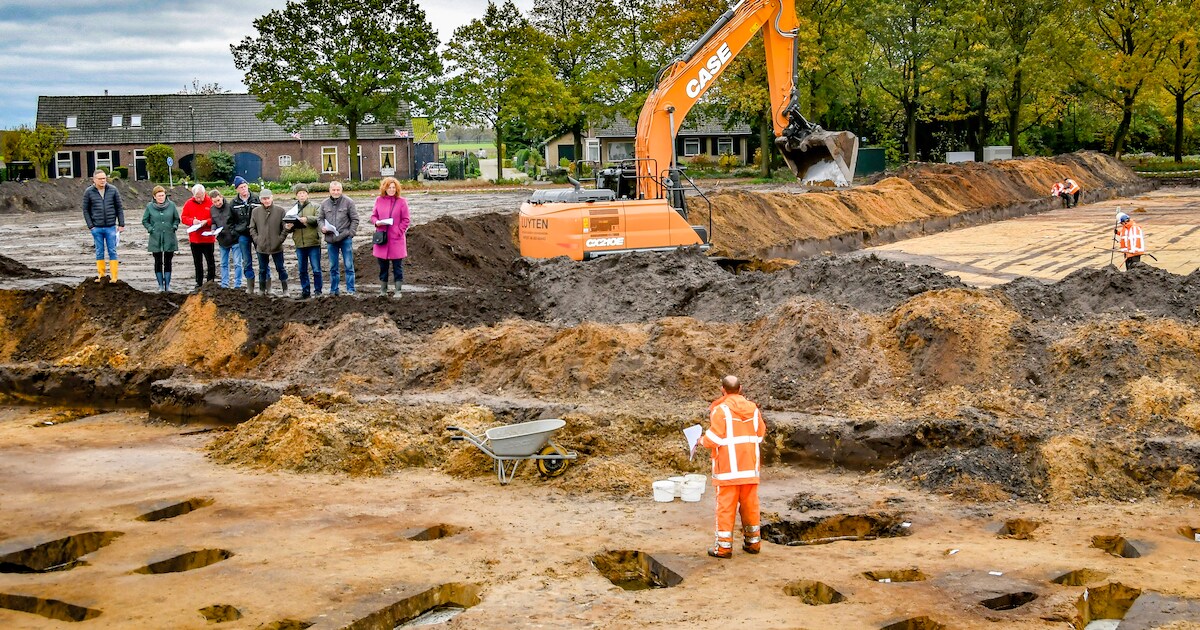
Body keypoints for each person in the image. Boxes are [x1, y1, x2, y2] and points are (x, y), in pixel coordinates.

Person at [698, 375, 766, 559]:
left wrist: (700, 440)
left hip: (728, 471)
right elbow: (760, 435)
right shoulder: (753, 409)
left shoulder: (720, 410)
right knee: (750, 506)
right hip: (749, 469)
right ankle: (753, 543)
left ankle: (724, 548)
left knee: (725, 508)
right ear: (741, 388)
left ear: (723, 389)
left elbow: (715, 438)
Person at [370, 177, 411, 297]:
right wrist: (377, 222)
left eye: (394, 187)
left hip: (396, 239)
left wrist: (399, 231)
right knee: (383, 266)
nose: (391, 190)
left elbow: (406, 220)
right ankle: (383, 289)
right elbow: (373, 216)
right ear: (385, 188)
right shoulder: (379, 200)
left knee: (397, 266)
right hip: (382, 238)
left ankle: (398, 290)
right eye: (389, 187)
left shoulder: (402, 201)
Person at [82, 169, 125, 282]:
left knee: (112, 250)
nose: (103, 181)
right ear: (94, 180)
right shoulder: (89, 192)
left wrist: (121, 224)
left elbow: (119, 208)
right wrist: (91, 226)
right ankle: (101, 275)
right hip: (97, 228)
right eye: (100, 179)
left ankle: (114, 277)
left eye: (104, 178)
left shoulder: (113, 190)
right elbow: (85, 210)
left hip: (111, 227)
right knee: (99, 251)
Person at [318, 181, 359, 296]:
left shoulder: (349, 202)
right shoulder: (324, 204)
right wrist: (322, 228)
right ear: (330, 190)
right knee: (333, 266)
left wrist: (351, 233)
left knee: (348, 265)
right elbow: (320, 219)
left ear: (341, 190)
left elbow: (355, 219)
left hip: (345, 238)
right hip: (331, 239)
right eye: (333, 190)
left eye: (338, 190)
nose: (336, 192)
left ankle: (350, 290)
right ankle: (334, 290)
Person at [284, 183, 323, 299]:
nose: (302, 195)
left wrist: (307, 219)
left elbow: (319, 219)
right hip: (299, 244)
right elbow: (289, 225)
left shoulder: (315, 206)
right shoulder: (292, 210)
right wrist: (288, 227)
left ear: (307, 194)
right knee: (302, 270)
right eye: (299, 193)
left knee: (316, 269)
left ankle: (318, 291)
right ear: (296, 196)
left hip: (313, 242)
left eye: (304, 193)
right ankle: (305, 291)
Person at [250, 188, 289, 296]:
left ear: (272, 198)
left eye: (268, 198)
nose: (266, 201)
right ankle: (262, 290)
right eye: (264, 199)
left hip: (277, 246)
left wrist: (280, 239)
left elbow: (285, 228)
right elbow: (252, 228)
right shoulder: (255, 212)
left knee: (280, 268)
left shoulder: (280, 211)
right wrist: (257, 240)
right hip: (261, 247)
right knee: (262, 269)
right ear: (260, 200)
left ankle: (285, 289)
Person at [141, 185, 180, 292]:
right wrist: (150, 229)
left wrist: (174, 227)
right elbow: (145, 220)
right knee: (158, 261)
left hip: (169, 236)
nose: (161, 198)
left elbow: (177, 219)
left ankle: (167, 285)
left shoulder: (171, 205)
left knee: (168, 261)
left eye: (163, 195)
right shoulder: (149, 207)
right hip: (155, 237)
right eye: (159, 196)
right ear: (154, 196)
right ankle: (160, 286)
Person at [180, 184, 216, 290]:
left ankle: (210, 281)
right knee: (197, 262)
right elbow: (183, 217)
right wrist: (192, 221)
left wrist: (206, 222)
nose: (199, 199)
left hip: (208, 238)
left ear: (204, 193)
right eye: (197, 197)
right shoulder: (189, 203)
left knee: (210, 261)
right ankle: (198, 282)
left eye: (201, 196)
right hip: (195, 239)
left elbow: (215, 217)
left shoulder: (210, 202)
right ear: (193, 195)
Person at [229, 176, 259, 293]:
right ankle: (250, 287)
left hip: (256, 233)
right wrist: (235, 232)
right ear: (237, 189)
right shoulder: (234, 203)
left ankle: (265, 286)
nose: (244, 189)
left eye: (245, 186)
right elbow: (230, 221)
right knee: (246, 261)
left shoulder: (256, 199)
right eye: (241, 187)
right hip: (243, 235)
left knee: (262, 258)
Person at [209, 191, 243, 289]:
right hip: (222, 240)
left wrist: (235, 232)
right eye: (215, 202)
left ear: (222, 197)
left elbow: (238, 221)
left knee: (237, 263)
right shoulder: (212, 210)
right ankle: (225, 284)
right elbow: (213, 222)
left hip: (234, 239)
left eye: (218, 200)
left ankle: (238, 284)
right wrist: (213, 229)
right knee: (224, 263)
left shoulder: (230, 207)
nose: (217, 203)